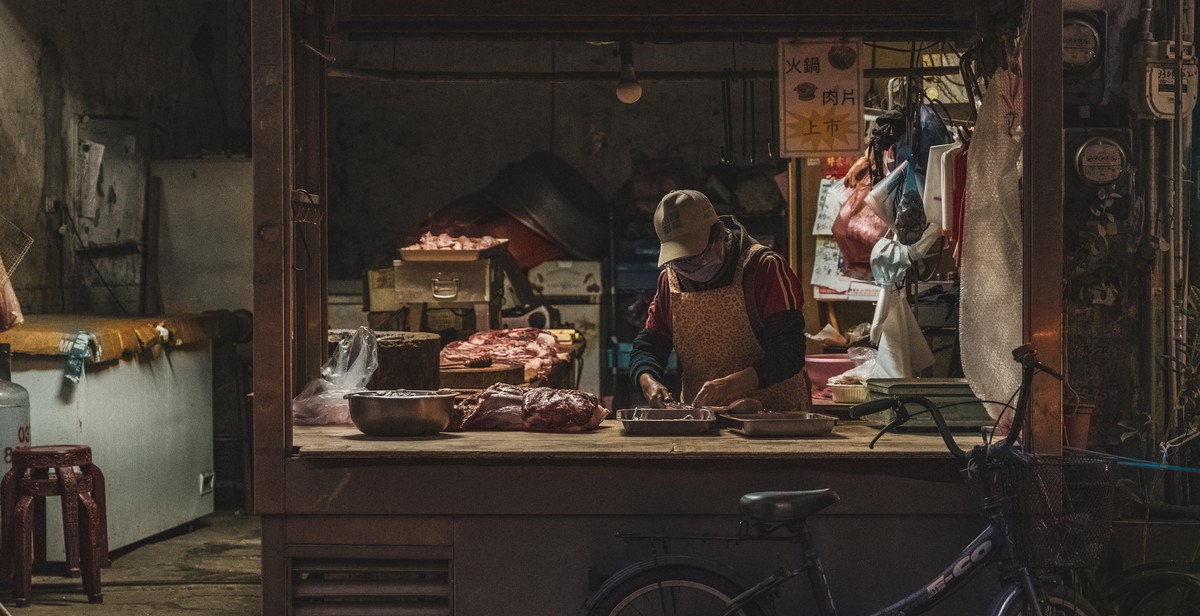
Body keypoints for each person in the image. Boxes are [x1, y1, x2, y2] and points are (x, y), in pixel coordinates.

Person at [630, 190, 812, 411]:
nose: (688, 267)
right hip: (702, 421)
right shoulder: (669, 281)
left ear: (718, 234)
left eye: (695, 256)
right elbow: (649, 346)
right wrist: (648, 382)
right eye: (680, 261)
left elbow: (789, 352)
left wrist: (727, 386)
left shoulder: (764, 269)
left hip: (775, 418)